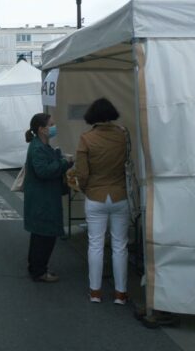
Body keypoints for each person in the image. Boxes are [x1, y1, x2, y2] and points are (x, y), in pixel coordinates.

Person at [75, 98, 129, 304]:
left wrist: (85, 188)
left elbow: (82, 172)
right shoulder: (123, 136)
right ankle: (120, 293)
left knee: (95, 244)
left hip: (95, 196)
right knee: (119, 246)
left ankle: (95, 292)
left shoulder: (86, 139)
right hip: (119, 195)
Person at [22, 113, 72, 283]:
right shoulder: (37, 147)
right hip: (42, 199)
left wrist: (59, 158)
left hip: (42, 197)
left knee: (40, 236)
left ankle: (37, 267)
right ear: (42, 129)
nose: (54, 127)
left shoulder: (41, 145)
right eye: (51, 124)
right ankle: (39, 271)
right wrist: (64, 163)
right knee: (44, 236)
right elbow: (43, 171)